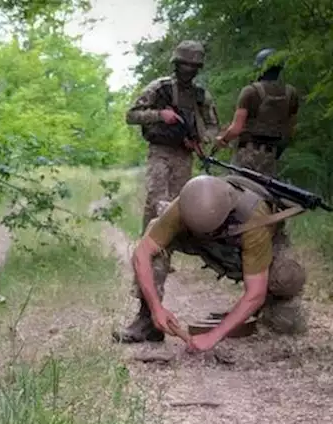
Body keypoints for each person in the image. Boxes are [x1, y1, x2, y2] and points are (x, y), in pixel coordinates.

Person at [121, 174, 309, 349]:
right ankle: (146, 321)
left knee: (287, 283)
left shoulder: (255, 219)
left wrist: (213, 336)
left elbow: (255, 292)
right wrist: (156, 308)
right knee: (155, 238)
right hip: (206, 243)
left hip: (244, 249)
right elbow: (143, 253)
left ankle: (269, 311)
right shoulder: (187, 203)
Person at [117, 40, 220, 341]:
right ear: (176, 65)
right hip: (160, 156)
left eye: (193, 66)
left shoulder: (201, 96)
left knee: (174, 226)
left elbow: (213, 128)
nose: (188, 70)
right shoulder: (160, 88)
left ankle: (152, 314)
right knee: (154, 226)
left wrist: (199, 139)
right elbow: (131, 114)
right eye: (184, 65)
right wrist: (159, 116)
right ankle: (146, 315)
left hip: (184, 160)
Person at [213, 48, 300, 176]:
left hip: (246, 155)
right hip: (271, 156)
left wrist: (222, 140)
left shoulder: (250, 91)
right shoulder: (290, 93)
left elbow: (236, 128)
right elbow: (291, 129)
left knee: (235, 189)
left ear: (260, 68)